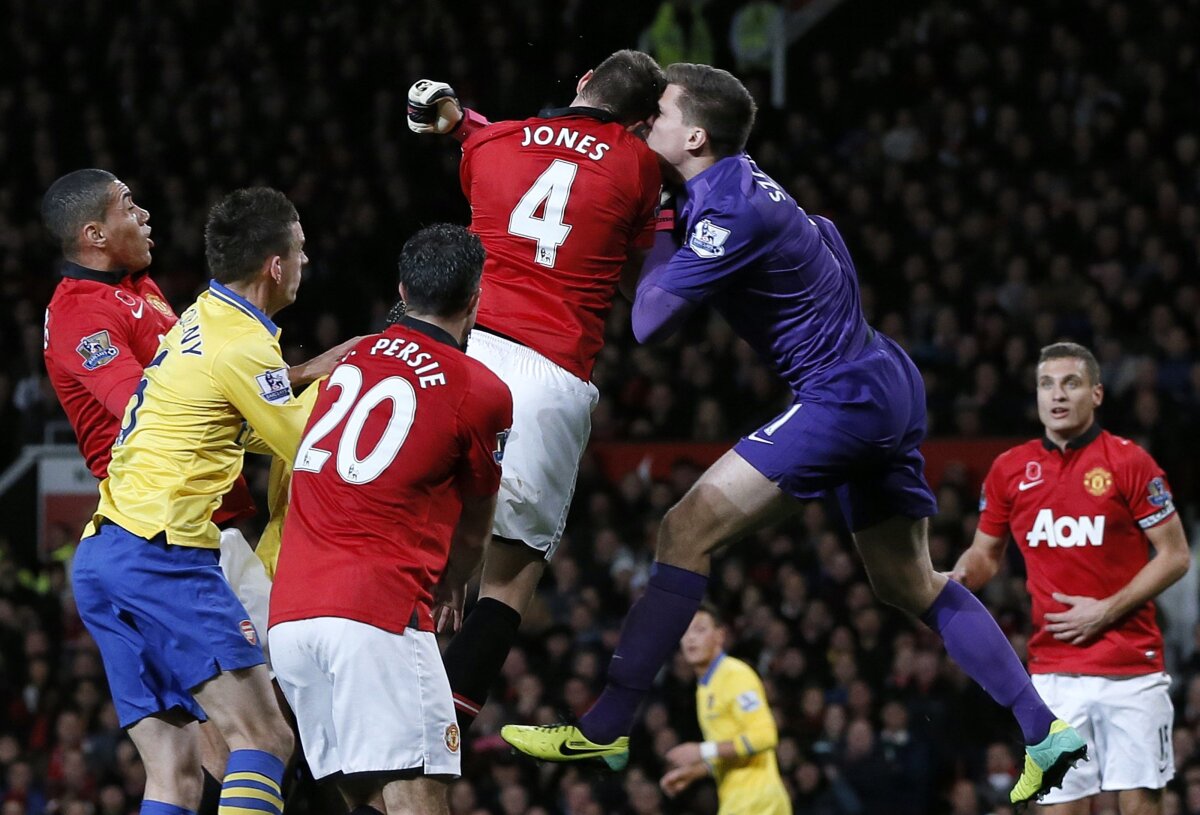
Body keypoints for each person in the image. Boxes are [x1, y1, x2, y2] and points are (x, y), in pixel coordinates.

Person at [500, 63, 1085, 807]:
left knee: (684, 530)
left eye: (662, 112)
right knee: (908, 582)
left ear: (697, 134)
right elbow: (823, 242)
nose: (648, 120)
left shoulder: (727, 209)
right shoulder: (744, 189)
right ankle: (1043, 728)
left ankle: (608, 723)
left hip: (843, 393)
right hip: (882, 376)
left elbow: (647, 322)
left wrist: (654, 226)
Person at [40, 169, 347, 813]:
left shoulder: (147, 293)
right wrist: (296, 382)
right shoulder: (79, 316)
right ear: (94, 233)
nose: (145, 212)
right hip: (174, 537)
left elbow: (204, 393)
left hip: (125, 544)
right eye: (128, 205)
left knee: (177, 770)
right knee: (275, 722)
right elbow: (145, 411)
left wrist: (281, 379)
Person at [405, 50, 665, 732]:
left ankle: (386, 695)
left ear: (582, 83)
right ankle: (446, 731)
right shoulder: (640, 166)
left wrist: (462, 124)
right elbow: (643, 283)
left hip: (461, 351)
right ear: (640, 124)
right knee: (512, 575)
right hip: (549, 372)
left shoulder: (496, 141)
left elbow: (497, 148)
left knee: (417, 531)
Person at [269, 224, 513, 815]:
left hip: (292, 619)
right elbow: (479, 516)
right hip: (376, 614)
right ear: (476, 298)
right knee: (419, 795)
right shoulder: (480, 389)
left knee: (364, 800)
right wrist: (458, 577)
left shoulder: (351, 354)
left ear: (402, 288)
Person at [950, 342, 1190, 815]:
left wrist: (1105, 609)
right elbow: (985, 554)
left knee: (1141, 805)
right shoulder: (1008, 471)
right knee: (1060, 809)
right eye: (1046, 384)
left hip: (1132, 670)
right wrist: (955, 578)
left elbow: (1176, 556)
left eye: (1071, 383)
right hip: (1053, 672)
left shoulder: (1129, 462)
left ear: (1096, 394)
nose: (1057, 395)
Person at [659, 603, 791, 815]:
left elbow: (765, 736)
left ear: (720, 636)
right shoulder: (705, 686)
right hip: (740, 803)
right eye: (685, 631)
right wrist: (696, 772)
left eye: (700, 629)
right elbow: (735, 750)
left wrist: (701, 751)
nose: (691, 638)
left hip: (758, 803)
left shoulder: (735, 675)